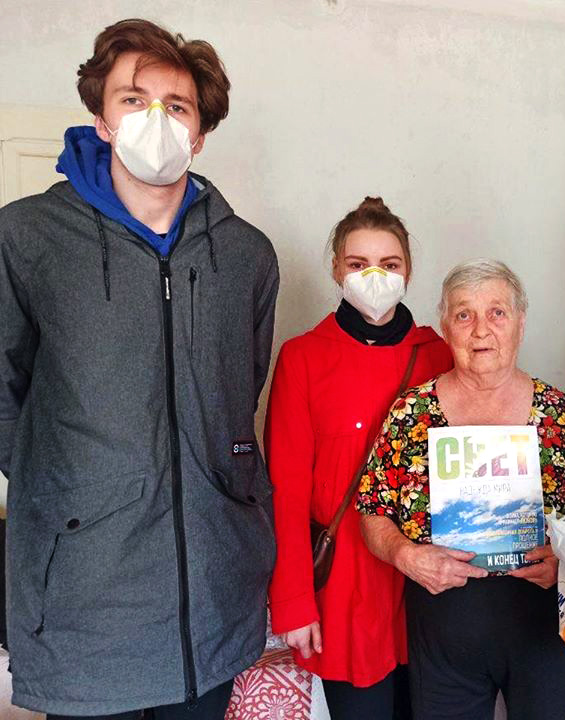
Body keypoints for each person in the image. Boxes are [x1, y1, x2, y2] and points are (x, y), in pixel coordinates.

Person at [0, 19, 279, 718]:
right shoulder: (28, 237)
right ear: (100, 117)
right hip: (88, 597)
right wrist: (64, 484)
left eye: (176, 106)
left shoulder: (245, 254)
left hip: (210, 598)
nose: (155, 119)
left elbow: (238, 387)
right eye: (133, 99)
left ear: (200, 132)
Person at [358, 259, 565, 720]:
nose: (481, 329)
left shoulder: (559, 414)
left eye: (497, 313)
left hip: (541, 626)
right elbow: (371, 510)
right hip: (443, 633)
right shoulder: (412, 413)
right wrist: (405, 555)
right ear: (445, 327)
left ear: (521, 324)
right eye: (464, 314)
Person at [265, 197, 453, 720]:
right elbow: (286, 488)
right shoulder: (304, 357)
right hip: (348, 589)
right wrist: (295, 601)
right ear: (336, 269)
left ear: (408, 271)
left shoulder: (439, 355)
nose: (374, 276)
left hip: (429, 586)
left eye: (389, 265)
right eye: (357, 264)